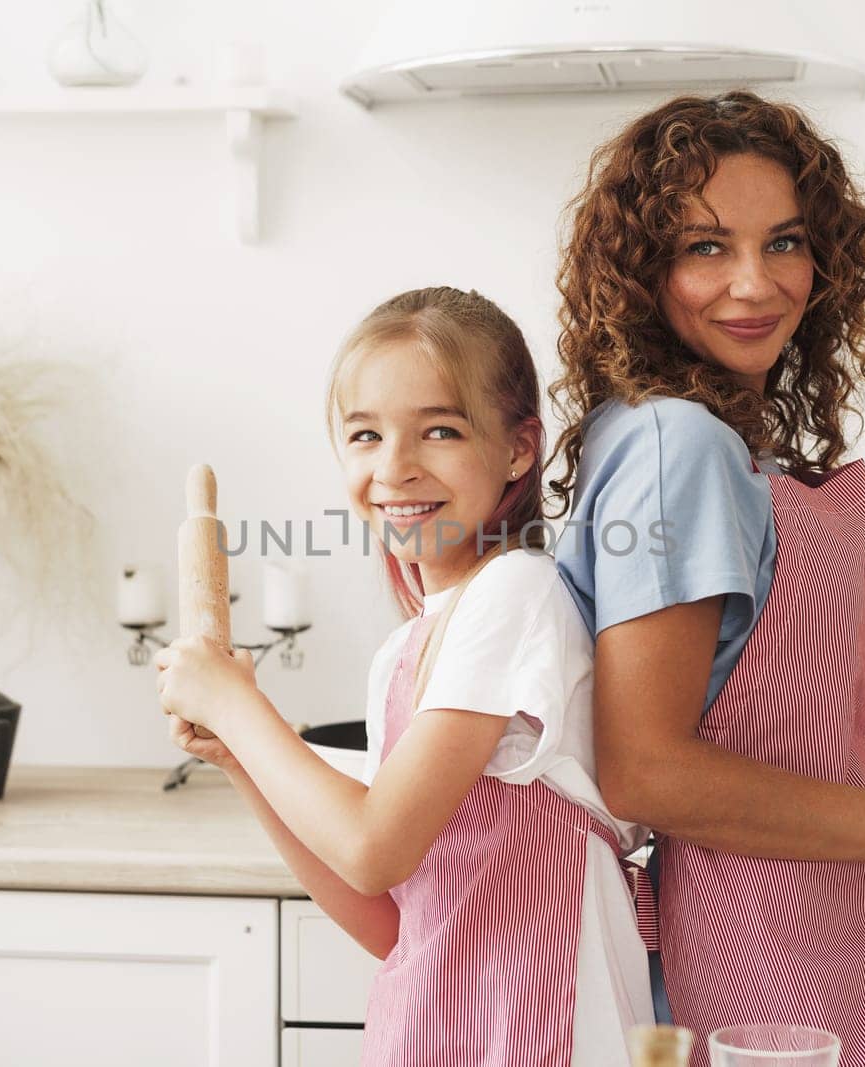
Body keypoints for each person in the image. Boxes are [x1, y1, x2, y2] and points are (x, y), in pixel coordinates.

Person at [547, 92, 865, 1066]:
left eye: (783, 243)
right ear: (642, 268)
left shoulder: (727, 443)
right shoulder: (673, 445)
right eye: (704, 247)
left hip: (831, 941)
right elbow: (642, 764)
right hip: (757, 965)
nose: (752, 283)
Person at [157, 286, 652, 1065]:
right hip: (438, 1023)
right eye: (364, 435)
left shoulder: (516, 593)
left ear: (519, 448)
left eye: (441, 430)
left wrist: (240, 703)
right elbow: (391, 919)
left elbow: (372, 844)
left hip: (546, 1024)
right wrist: (239, 756)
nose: (394, 467)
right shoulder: (406, 650)